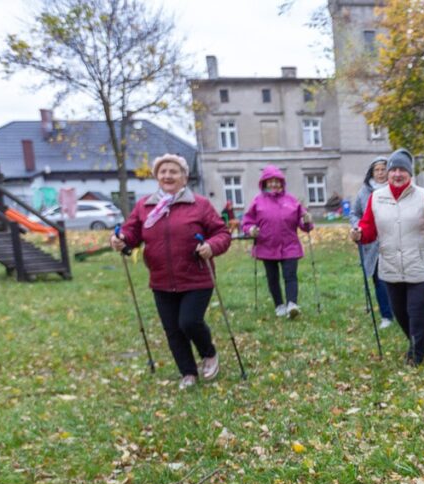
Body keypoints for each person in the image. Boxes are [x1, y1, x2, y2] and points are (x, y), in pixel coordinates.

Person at [111, 153, 231, 390]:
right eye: (162, 172)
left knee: (189, 322)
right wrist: (121, 239)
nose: (167, 175)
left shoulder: (199, 204)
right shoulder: (145, 206)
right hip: (161, 279)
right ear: (157, 177)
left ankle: (209, 354)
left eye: (173, 171)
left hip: (197, 276)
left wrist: (211, 246)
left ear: (184, 178)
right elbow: (132, 233)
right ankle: (187, 372)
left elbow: (222, 233)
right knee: (173, 330)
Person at [349, 149, 424, 366]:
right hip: (390, 265)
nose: (397, 174)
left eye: (402, 170)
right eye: (393, 169)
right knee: (400, 313)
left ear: (409, 173)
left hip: (421, 264)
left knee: (418, 310)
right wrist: (359, 233)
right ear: (387, 173)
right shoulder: (376, 198)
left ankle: (417, 353)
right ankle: (414, 341)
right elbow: (368, 229)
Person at [241, 165, 314, 317]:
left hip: (290, 245)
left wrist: (307, 221)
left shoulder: (292, 201)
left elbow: (305, 226)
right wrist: (251, 230)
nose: (274, 184)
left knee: (290, 275)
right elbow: (247, 222)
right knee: (272, 278)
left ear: (282, 183)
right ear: (265, 183)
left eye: (277, 181)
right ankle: (279, 305)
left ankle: (292, 304)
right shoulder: (257, 201)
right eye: (270, 181)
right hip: (266, 245)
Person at [351, 156, 394, 328]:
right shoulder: (364, 192)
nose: (380, 173)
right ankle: (386, 315)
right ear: (372, 172)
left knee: (394, 278)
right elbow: (355, 213)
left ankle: (398, 309)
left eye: (383, 169)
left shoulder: (395, 189)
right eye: (377, 170)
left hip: (393, 240)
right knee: (379, 278)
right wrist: (357, 227)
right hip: (371, 243)